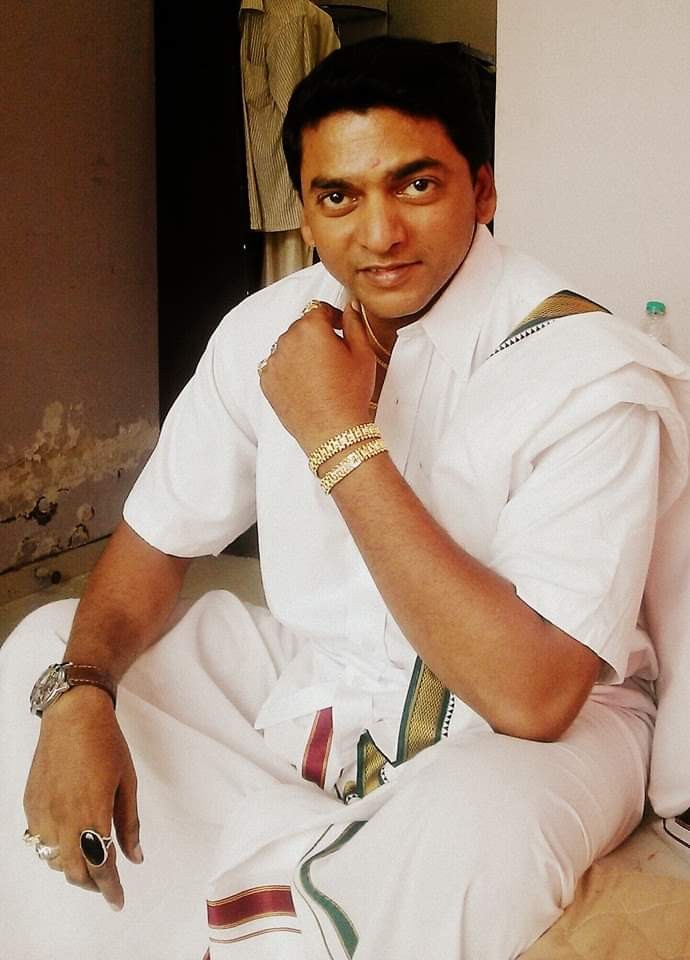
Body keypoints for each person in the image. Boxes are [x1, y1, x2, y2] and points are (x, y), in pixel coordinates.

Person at [2, 36, 688, 960]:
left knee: (472, 833)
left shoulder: (587, 373)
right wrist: (81, 694)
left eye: (416, 185)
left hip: (541, 734)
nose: (379, 234)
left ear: (484, 191)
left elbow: (535, 695)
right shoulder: (267, 330)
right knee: (48, 649)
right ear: (307, 212)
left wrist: (339, 438)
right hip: (326, 681)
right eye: (339, 197)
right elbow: (153, 542)